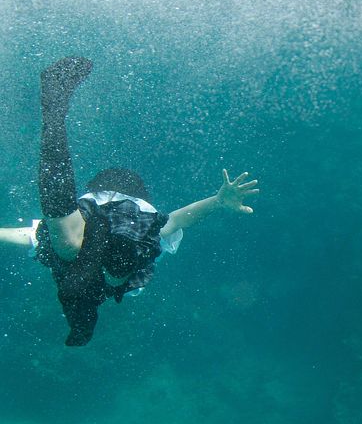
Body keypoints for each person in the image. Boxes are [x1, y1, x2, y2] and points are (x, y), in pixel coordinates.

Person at [0, 57, 259, 347]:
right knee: (74, 247)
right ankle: (54, 115)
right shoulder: (134, 254)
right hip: (120, 208)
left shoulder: (121, 263)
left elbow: (173, 222)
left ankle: (54, 115)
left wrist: (217, 201)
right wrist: (216, 201)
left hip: (103, 213)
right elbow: (174, 221)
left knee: (70, 245)